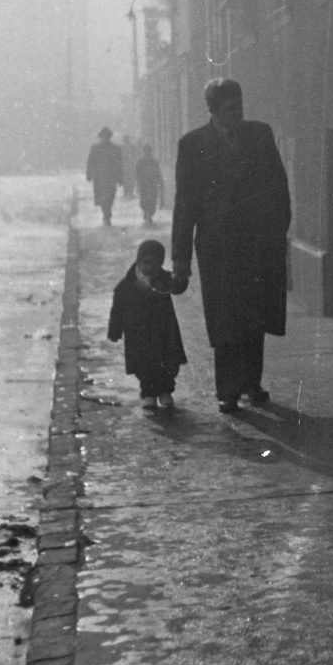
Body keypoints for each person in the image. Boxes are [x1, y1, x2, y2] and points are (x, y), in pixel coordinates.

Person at [171, 78, 291, 413]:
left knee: (254, 316)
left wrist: (278, 233)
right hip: (218, 249)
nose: (237, 112)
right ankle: (228, 390)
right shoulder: (192, 144)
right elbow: (186, 205)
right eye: (229, 108)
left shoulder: (260, 135)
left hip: (257, 245)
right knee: (225, 319)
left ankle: (252, 383)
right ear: (213, 110)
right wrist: (181, 259)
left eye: (239, 105)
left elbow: (279, 188)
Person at [107, 239, 187, 412]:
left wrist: (181, 273)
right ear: (139, 261)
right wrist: (115, 330)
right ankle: (148, 393)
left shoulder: (165, 279)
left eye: (156, 264)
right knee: (143, 364)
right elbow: (118, 309)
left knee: (167, 361)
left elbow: (178, 286)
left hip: (163, 331)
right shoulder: (126, 284)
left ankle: (166, 390)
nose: (150, 267)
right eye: (146, 263)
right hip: (138, 333)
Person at [85, 127, 124, 226]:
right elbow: (91, 162)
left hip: (111, 177)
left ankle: (107, 211)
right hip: (99, 177)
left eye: (107, 136)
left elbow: (119, 164)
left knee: (110, 196)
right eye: (104, 136)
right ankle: (106, 214)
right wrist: (89, 174)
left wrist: (120, 177)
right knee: (102, 197)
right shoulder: (95, 148)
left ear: (109, 137)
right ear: (101, 137)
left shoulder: (116, 149)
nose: (105, 138)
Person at [135, 144, 164, 225]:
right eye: (146, 151)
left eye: (148, 151)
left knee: (153, 199)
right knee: (144, 199)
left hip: (152, 183)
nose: (147, 153)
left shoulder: (154, 161)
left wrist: (160, 182)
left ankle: (150, 214)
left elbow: (158, 172)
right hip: (143, 183)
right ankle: (146, 211)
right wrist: (138, 182)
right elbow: (137, 173)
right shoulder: (140, 161)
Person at [120, 133, 138, 199]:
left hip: (127, 165)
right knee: (129, 179)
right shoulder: (130, 146)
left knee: (127, 179)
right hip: (129, 165)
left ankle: (127, 192)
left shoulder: (124, 147)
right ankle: (129, 192)